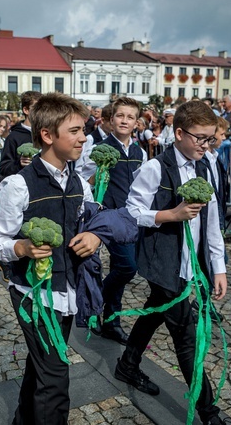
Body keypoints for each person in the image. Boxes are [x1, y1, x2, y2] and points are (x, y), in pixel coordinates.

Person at [0, 93, 101, 424]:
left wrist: (94, 236)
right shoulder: (18, 185)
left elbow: (91, 223)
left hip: (67, 292)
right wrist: (20, 248)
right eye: (76, 131)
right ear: (48, 135)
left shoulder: (80, 181)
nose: (83, 138)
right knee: (55, 381)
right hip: (33, 295)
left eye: (84, 130)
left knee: (42, 368)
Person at [117, 100, 229, 425]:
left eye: (211, 139)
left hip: (189, 264)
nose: (206, 145)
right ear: (178, 133)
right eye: (200, 138)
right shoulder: (155, 167)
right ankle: (209, 413)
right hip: (162, 263)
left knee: (153, 312)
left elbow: (212, 222)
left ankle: (128, 363)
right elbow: (132, 211)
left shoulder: (207, 165)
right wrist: (170, 215)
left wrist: (218, 267)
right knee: (185, 337)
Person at [80, 97, 146, 345]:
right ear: (111, 119)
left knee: (124, 268)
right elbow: (84, 182)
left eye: (130, 117)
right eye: (120, 116)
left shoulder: (140, 151)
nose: (125, 121)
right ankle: (99, 307)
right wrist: (99, 174)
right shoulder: (97, 147)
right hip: (107, 216)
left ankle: (110, 320)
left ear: (136, 122)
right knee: (127, 267)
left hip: (131, 217)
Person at [0, 91, 42, 177]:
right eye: (37, 108)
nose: (41, 112)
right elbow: (3, 169)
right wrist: (19, 164)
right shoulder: (13, 137)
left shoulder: (46, 134)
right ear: (26, 110)